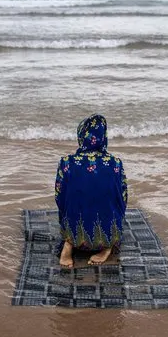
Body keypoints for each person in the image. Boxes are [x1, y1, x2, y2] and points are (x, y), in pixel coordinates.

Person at [55, 114, 128, 267]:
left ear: (81, 135)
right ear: (103, 136)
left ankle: (68, 245)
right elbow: (123, 198)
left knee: (68, 200)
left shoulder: (66, 162)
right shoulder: (115, 163)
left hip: (75, 235)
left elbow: (59, 198)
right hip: (107, 235)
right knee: (113, 203)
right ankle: (107, 247)